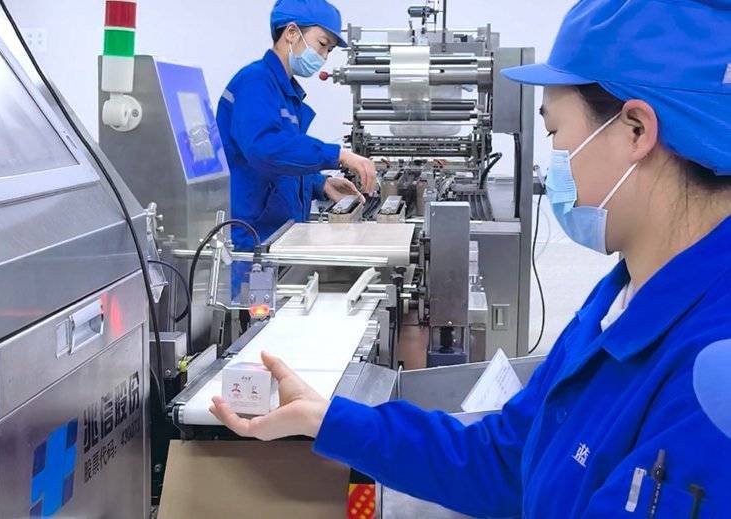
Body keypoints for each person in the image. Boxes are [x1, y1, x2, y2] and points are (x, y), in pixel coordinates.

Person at [210, 0, 731, 516]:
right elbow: (503, 461)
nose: (553, 163)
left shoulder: (712, 377)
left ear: (636, 130)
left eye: (554, 132)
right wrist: (327, 419)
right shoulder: (617, 301)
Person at [217, 0, 377, 259]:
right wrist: (338, 155)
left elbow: (284, 161)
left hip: (276, 238)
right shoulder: (255, 82)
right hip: (251, 242)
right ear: (291, 32)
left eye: (329, 50)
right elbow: (266, 150)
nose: (323, 57)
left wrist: (320, 183)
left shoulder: (285, 92)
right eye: (322, 44)